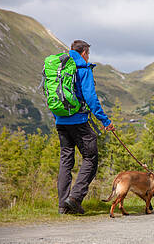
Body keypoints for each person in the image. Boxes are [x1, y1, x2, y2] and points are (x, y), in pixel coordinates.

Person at [56, 40, 115, 214]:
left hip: (61, 121)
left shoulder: (60, 68)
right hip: (79, 121)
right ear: (83, 53)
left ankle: (63, 207)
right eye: (88, 53)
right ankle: (74, 199)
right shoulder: (83, 69)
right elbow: (91, 99)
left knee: (66, 161)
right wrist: (105, 121)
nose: (89, 57)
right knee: (90, 157)